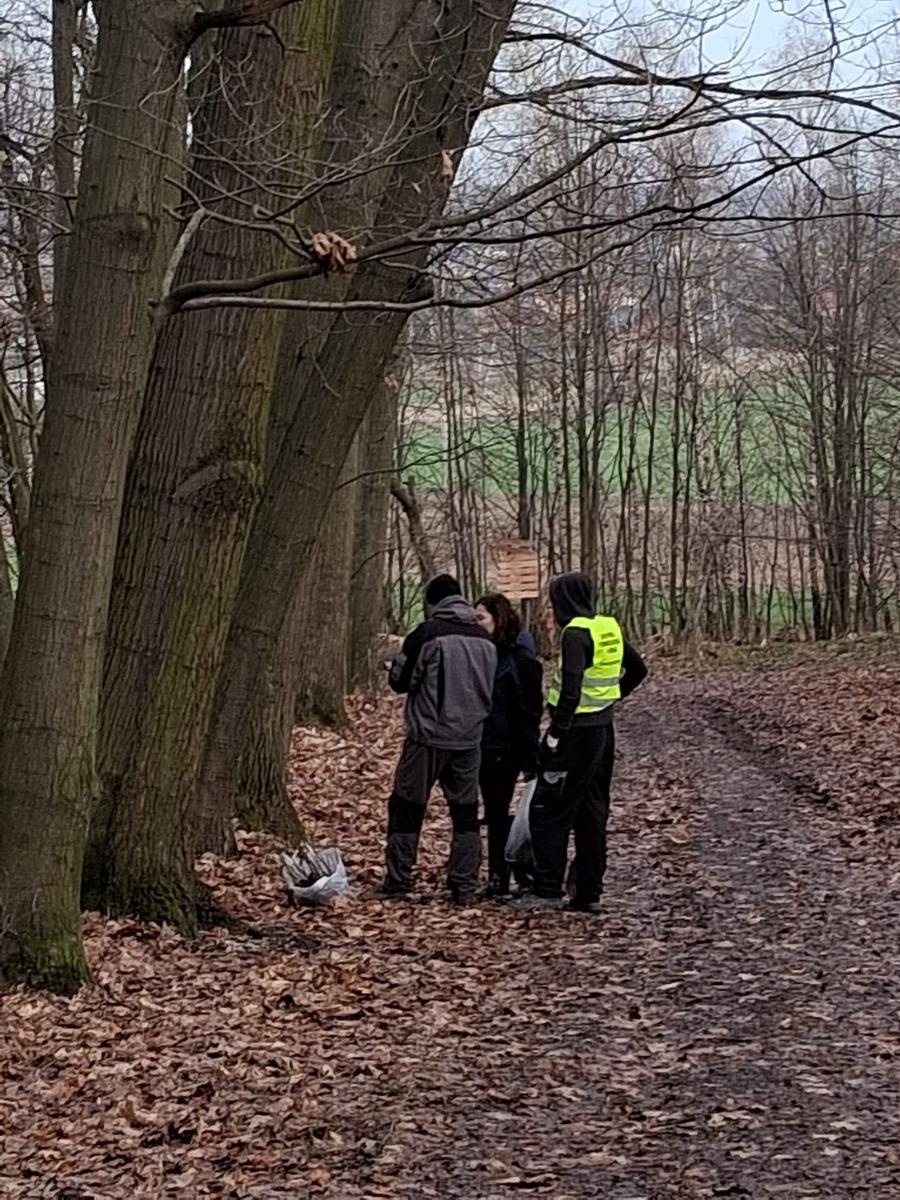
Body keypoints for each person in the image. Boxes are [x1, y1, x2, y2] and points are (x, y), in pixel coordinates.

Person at [511, 571, 648, 913]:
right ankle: (589, 890)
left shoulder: (575, 634)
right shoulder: (607, 627)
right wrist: (611, 698)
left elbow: (570, 689)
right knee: (592, 810)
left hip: (574, 736)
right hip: (603, 733)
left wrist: (556, 734)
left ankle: (546, 889)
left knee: (549, 809)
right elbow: (638, 669)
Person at [373, 574, 497, 905]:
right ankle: (464, 884)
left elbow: (401, 680)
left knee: (406, 806)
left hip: (427, 736)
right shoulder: (485, 639)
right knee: (466, 812)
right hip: (470, 739)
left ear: (432, 603)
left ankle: (399, 880)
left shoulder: (427, 634)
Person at [474, 594, 543, 899]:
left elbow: (530, 711)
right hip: (486, 743)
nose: (477, 624)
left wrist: (531, 755)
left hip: (504, 745)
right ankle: (499, 874)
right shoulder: (482, 655)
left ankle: (507, 874)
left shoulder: (519, 660)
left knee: (503, 811)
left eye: (481, 618)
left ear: (498, 619)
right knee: (494, 810)